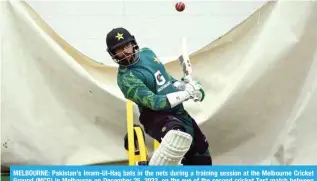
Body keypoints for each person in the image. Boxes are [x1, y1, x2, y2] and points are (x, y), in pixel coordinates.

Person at [105, 27, 212, 165]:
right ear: (113, 54)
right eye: (119, 50)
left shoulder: (148, 54)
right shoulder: (126, 78)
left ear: (133, 43)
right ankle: (151, 171)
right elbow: (155, 102)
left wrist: (182, 86)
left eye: (126, 46)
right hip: (155, 116)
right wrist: (186, 94)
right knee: (176, 135)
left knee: (203, 159)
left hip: (178, 111)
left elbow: (165, 78)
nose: (125, 52)